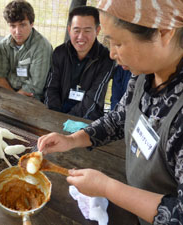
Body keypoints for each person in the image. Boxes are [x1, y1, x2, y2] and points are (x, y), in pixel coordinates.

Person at [38, 0, 183, 224]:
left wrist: (107, 188)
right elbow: (118, 119)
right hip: (134, 204)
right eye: (108, 42)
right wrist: (72, 139)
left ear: (164, 33)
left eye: (118, 43)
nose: (112, 54)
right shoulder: (144, 73)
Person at [44, 6, 114, 120]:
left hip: (87, 115)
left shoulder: (106, 59)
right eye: (76, 30)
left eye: (87, 30)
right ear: (69, 30)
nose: (81, 37)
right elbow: (51, 88)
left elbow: (94, 98)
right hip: (58, 109)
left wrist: (68, 120)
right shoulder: (60, 52)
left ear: (97, 30)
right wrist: (55, 116)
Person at [0, 0, 52, 101]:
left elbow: (35, 87)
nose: (17, 31)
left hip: (31, 99)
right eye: (13, 26)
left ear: (32, 24)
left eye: (22, 25)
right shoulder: (3, 45)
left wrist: (13, 100)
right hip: (5, 93)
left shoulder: (42, 47)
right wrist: (12, 98)